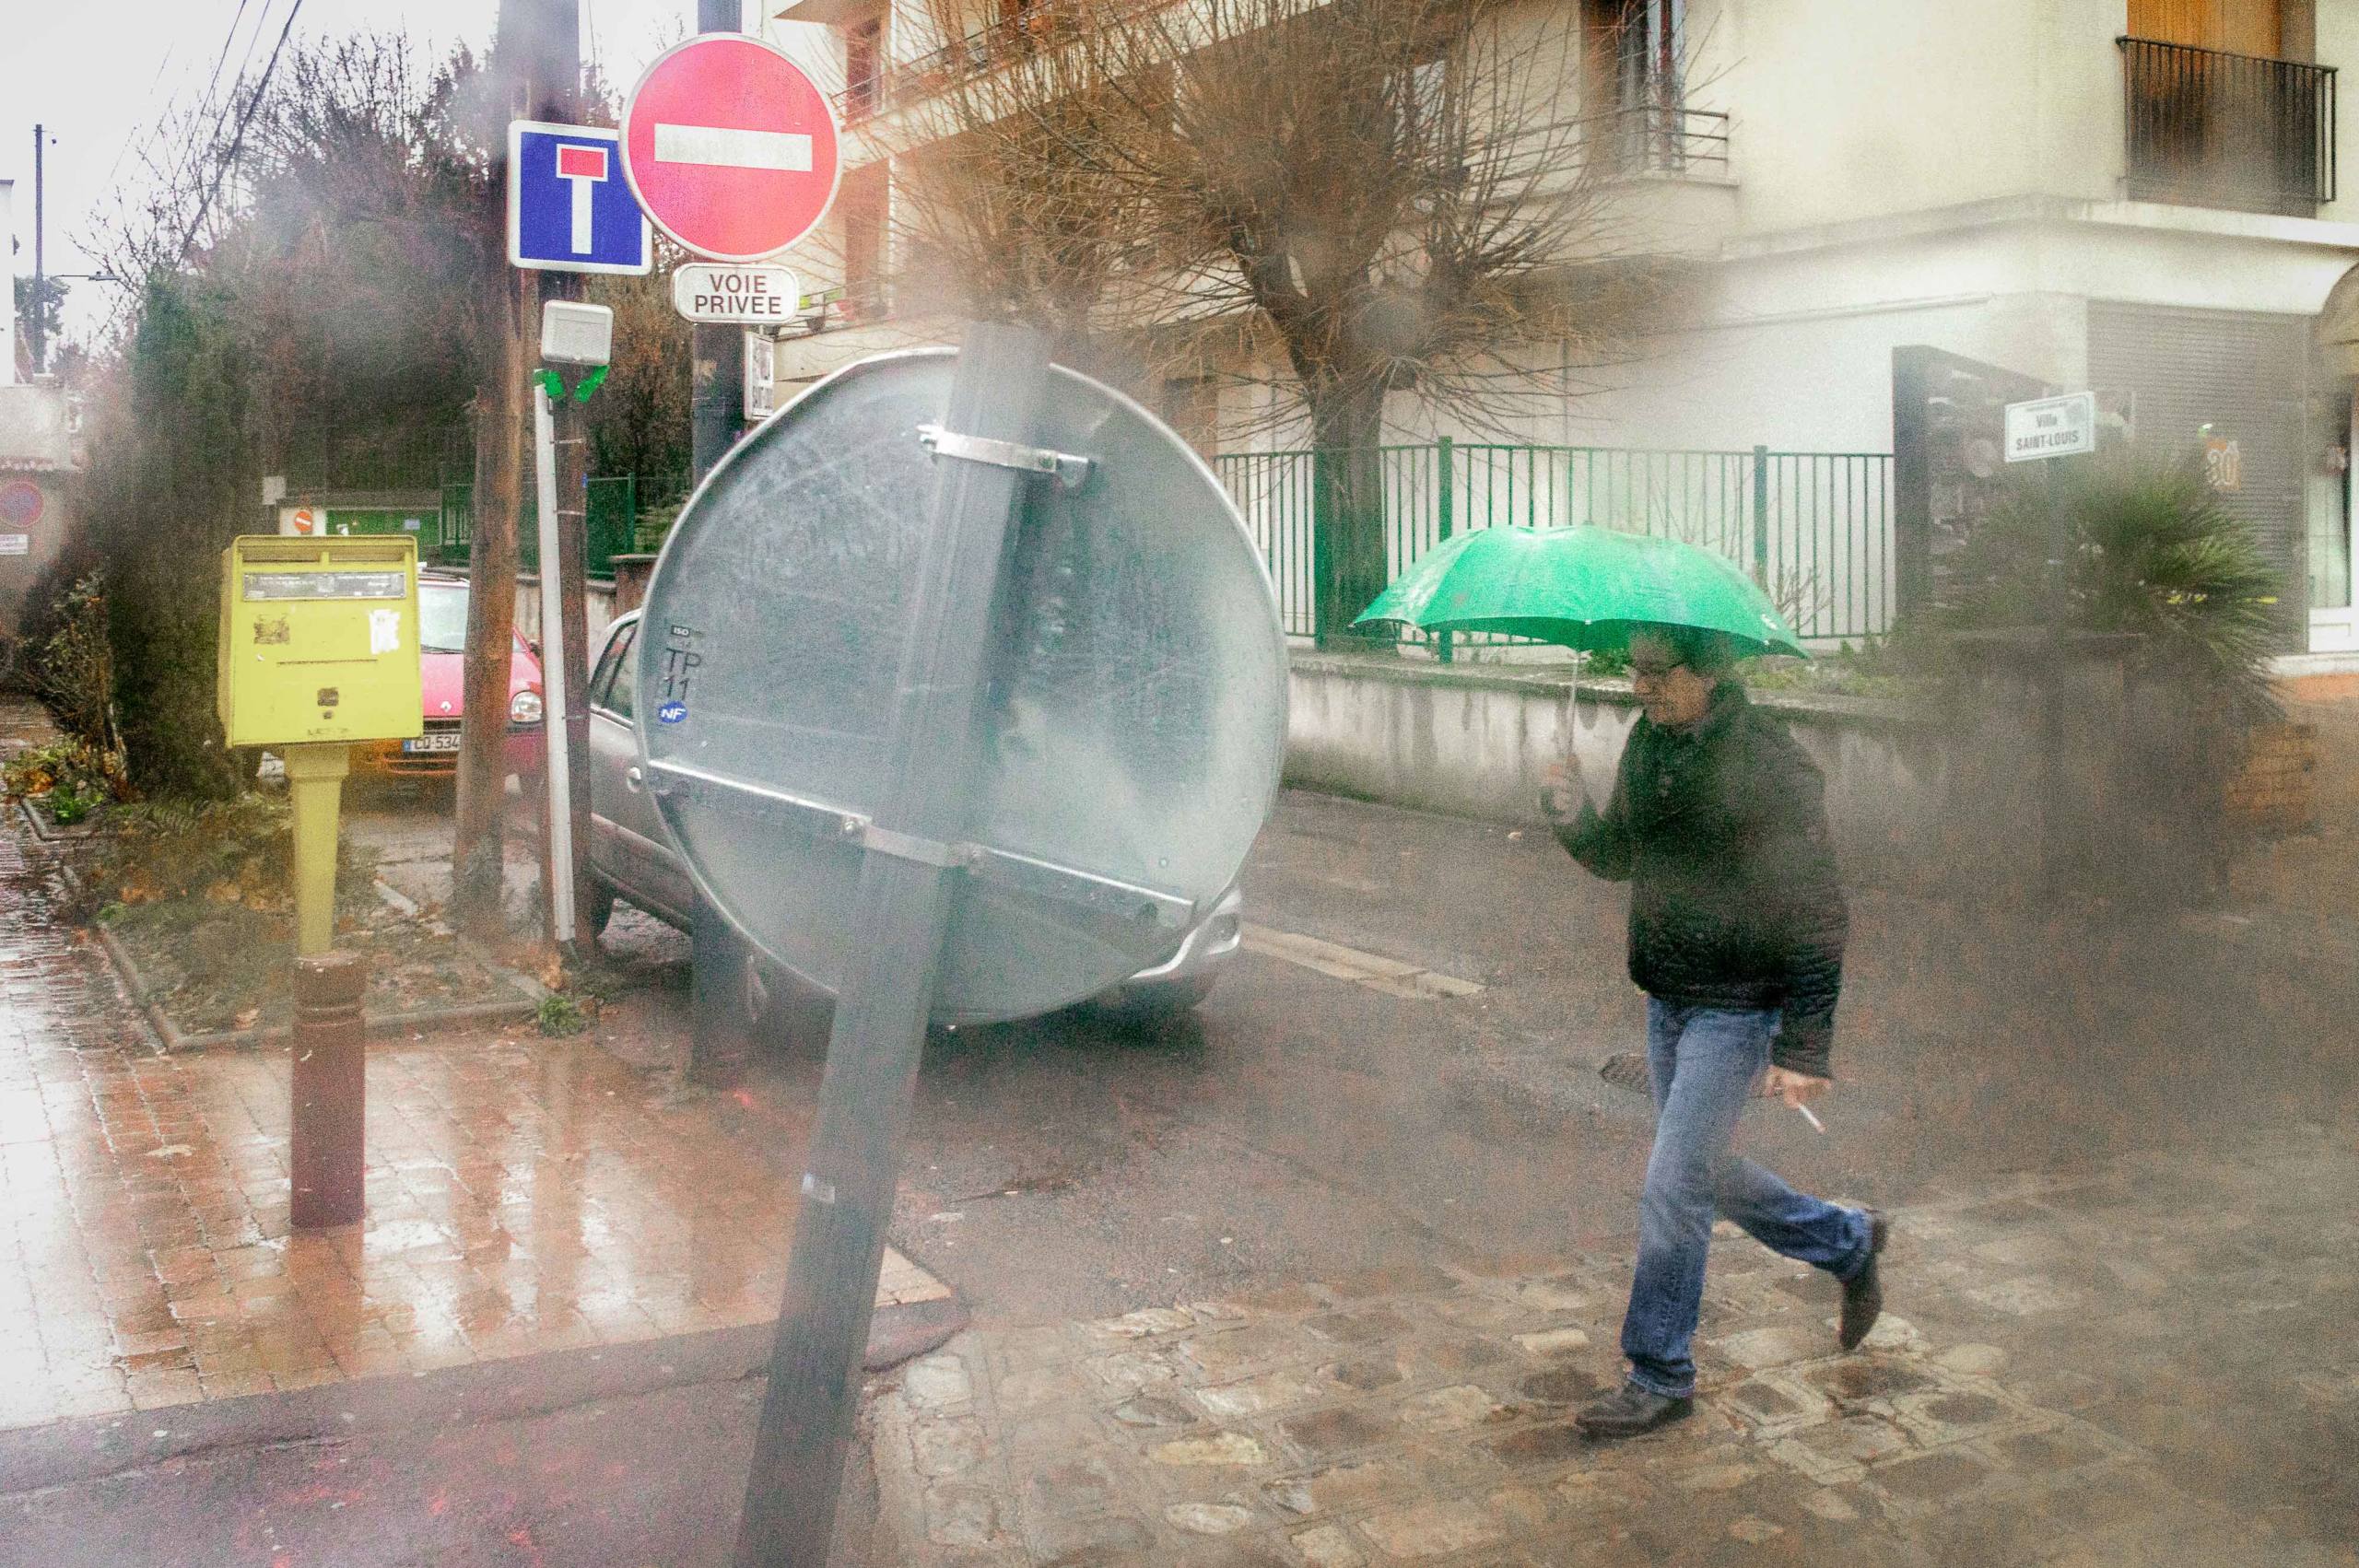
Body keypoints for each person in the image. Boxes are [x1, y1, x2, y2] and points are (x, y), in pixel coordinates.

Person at [1543, 625, 1886, 1441]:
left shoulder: (1771, 765)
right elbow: (1621, 854)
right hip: (1669, 995)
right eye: (1635, 670)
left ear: (1708, 672)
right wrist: (1569, 813)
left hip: (1738, 1005)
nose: (1639, 688)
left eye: (1657, 673)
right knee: (1702, 1172)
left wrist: (1805, 1046)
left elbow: (1817, 908)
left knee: (1672, 1185)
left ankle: (1660, 1370)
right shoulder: (1649, 746)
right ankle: (1849, 1240)